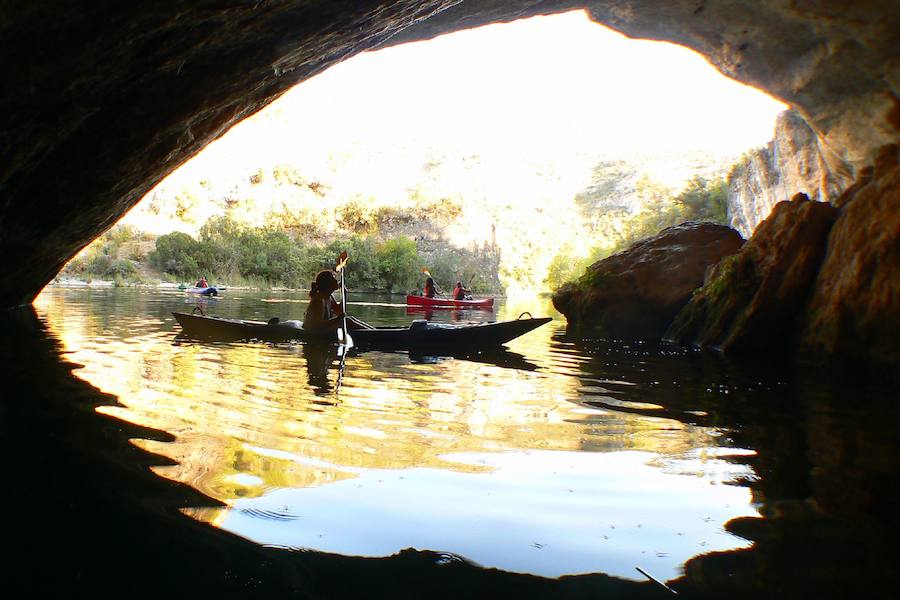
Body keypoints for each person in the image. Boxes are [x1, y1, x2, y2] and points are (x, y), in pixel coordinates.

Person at [303, 269, 373, 333]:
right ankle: (372, 333)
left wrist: (344, 295)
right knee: (347, 321)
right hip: (314, 331)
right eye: (334, 279)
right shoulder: (319, 300)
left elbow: (339, 312)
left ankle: (373, 331)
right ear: (327, 283)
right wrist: (337, 319)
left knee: (350, 318)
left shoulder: (329, 297)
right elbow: (318, 324)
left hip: (320, 328)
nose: (336, 281)